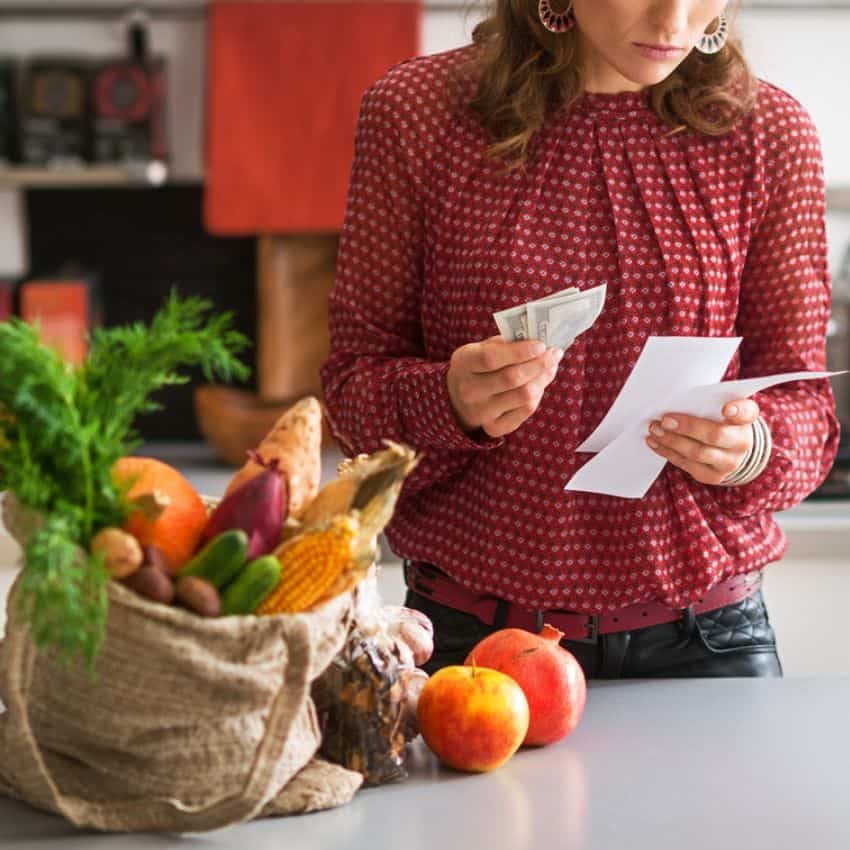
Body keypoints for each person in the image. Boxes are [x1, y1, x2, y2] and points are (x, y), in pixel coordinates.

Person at [320, 0, 840, 679]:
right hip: (471, 646)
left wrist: (752, 448)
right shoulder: (417, 114)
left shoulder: (770, 133)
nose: (674, 21)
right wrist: (448, 402)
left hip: (708, 642)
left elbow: (810, 412)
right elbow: (351, 397)